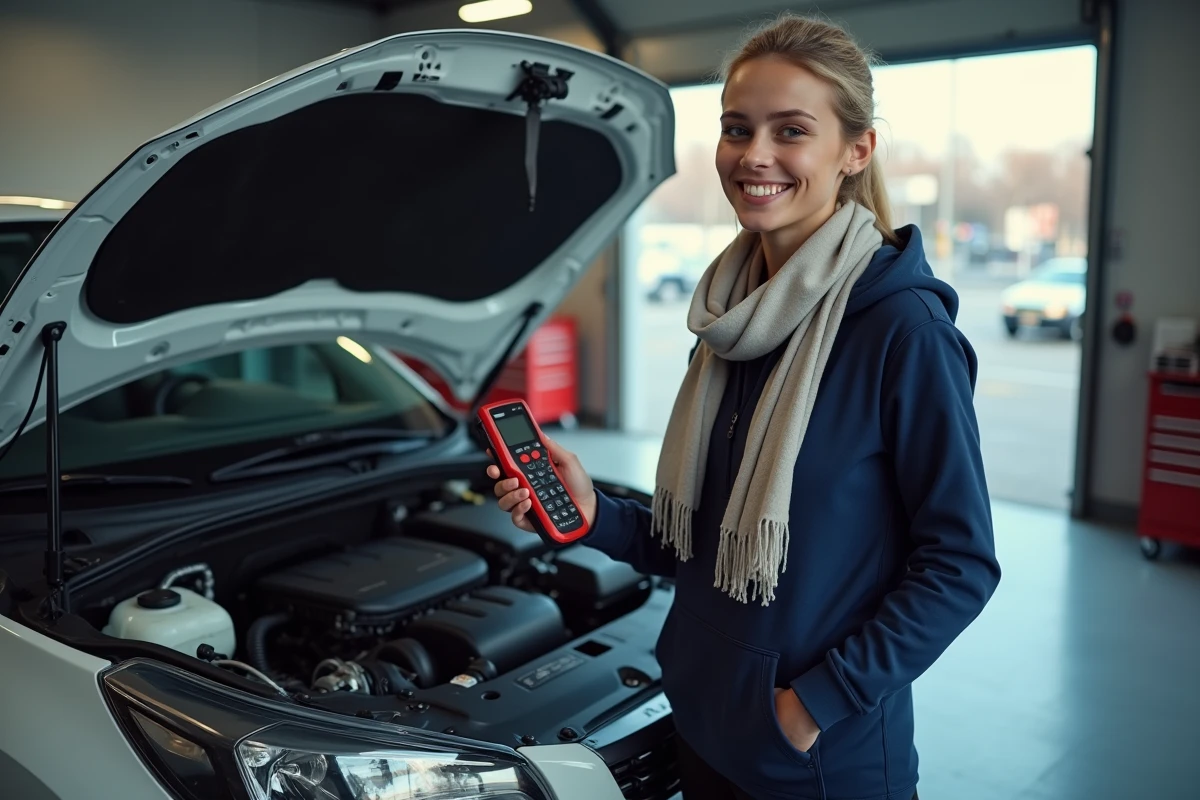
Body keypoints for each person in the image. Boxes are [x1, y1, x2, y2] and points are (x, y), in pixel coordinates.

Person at [487, 13, 1000, 800]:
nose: (754, 156)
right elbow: (696, 541)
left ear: (854, 150)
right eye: (737, 128)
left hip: (819, 760)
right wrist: (593, 511)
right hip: (700, 718)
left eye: (790, 130)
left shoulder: (905, 331)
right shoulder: (731, 319)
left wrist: (812, 706)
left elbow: (960, 564)